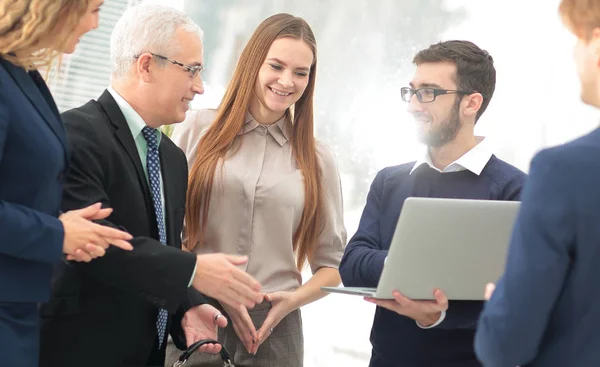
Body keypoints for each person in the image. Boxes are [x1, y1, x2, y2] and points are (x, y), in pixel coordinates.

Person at [38, 4, 263, 367]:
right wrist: (193, 270)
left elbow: (161, 247)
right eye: (191, 70)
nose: (199, 87)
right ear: (145, 65)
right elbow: (98, 244)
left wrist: (188, 306)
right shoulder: (73, 135)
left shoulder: (172, 159)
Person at [167, 13, 346, 367]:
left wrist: (290, 302)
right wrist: (199, 282)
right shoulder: (195, 129)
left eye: (300, 72)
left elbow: (333, 264)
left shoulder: (318, 159)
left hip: (274, 327)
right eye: (276, 66)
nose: (287, 81)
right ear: (253, 64)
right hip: (197, 309)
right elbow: (164, 231)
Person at [338, 40, 527, 367]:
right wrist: (409, 267)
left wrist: (438, 315)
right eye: (411, 91)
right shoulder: (389, 180)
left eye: (428, 93)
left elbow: (517, 296)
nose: (412, 105)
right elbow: (352, 264)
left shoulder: (516, 190)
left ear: (471, 103)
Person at [0, 1, 135, 366]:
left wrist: (70, 231)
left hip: (20, 308)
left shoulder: (22, 75)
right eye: (93, 9)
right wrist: (57, 233)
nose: (95, 24)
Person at [475, 1, 600, 365]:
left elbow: (503, 347)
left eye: (576, 40)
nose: (574, 55)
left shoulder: (564, 172)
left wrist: (501, 298)